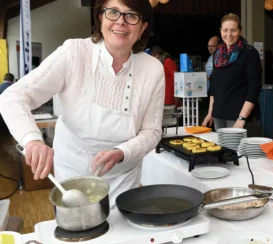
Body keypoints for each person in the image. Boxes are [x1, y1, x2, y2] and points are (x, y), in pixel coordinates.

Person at [0, 0, 165, 208]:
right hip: (73, 179)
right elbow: (13, 97)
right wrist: (32, 140)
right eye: (113, 12)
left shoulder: (152, 69)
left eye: (132, 16)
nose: (121, 22)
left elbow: (152, 131)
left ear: (143, 27)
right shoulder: (74, 53)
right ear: (100, 17)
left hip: (124, 180)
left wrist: (122, 152)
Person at [202, 13, 262, 130]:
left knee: (237, 148)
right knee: (222, 148)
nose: (229, 34)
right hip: (218, 115)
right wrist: (210, 113)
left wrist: (242, 118)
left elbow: (254, 88)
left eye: (233, 30)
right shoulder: (217, 54)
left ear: (240, 31)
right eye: (225, 30)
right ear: (220, 31)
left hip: (238, 117)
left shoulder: (249, 53)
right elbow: (214, 86)